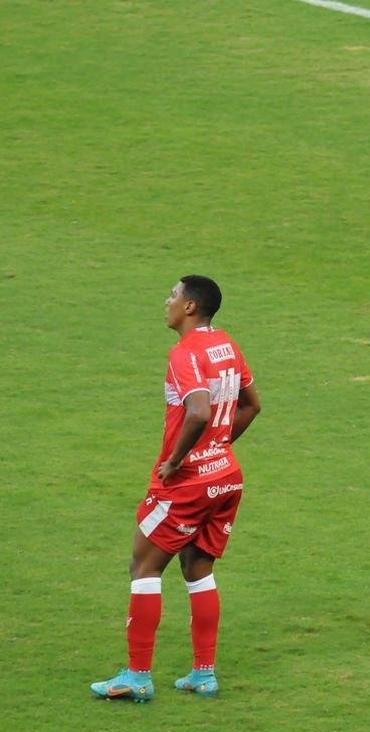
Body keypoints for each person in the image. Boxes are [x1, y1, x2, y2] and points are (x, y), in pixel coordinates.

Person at [91, 276, 260, 701]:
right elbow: (252, 403)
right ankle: (204, 674)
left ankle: (137, 676)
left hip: (187, 485)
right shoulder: (227, 344)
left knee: (143, 568)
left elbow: (198, 411)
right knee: (198, 571)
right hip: (226, 477)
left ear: (189, 307)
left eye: (173, 295)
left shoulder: (184, 353)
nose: (167, 301)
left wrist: (178, 459)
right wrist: (217, 449)